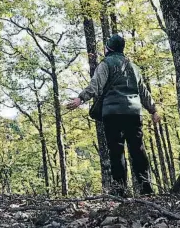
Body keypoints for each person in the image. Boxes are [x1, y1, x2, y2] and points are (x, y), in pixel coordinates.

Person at [66, 34, 160, 197]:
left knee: (116, 152)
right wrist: (153, 110)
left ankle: (120, 192)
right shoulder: (134, 67)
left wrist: (80, 98)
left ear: (108, 48)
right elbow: (143, 91)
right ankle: (147, 190)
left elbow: (95, 85)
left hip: (112, 113)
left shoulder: (106, 64)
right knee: (138, 150)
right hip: (133, 113)